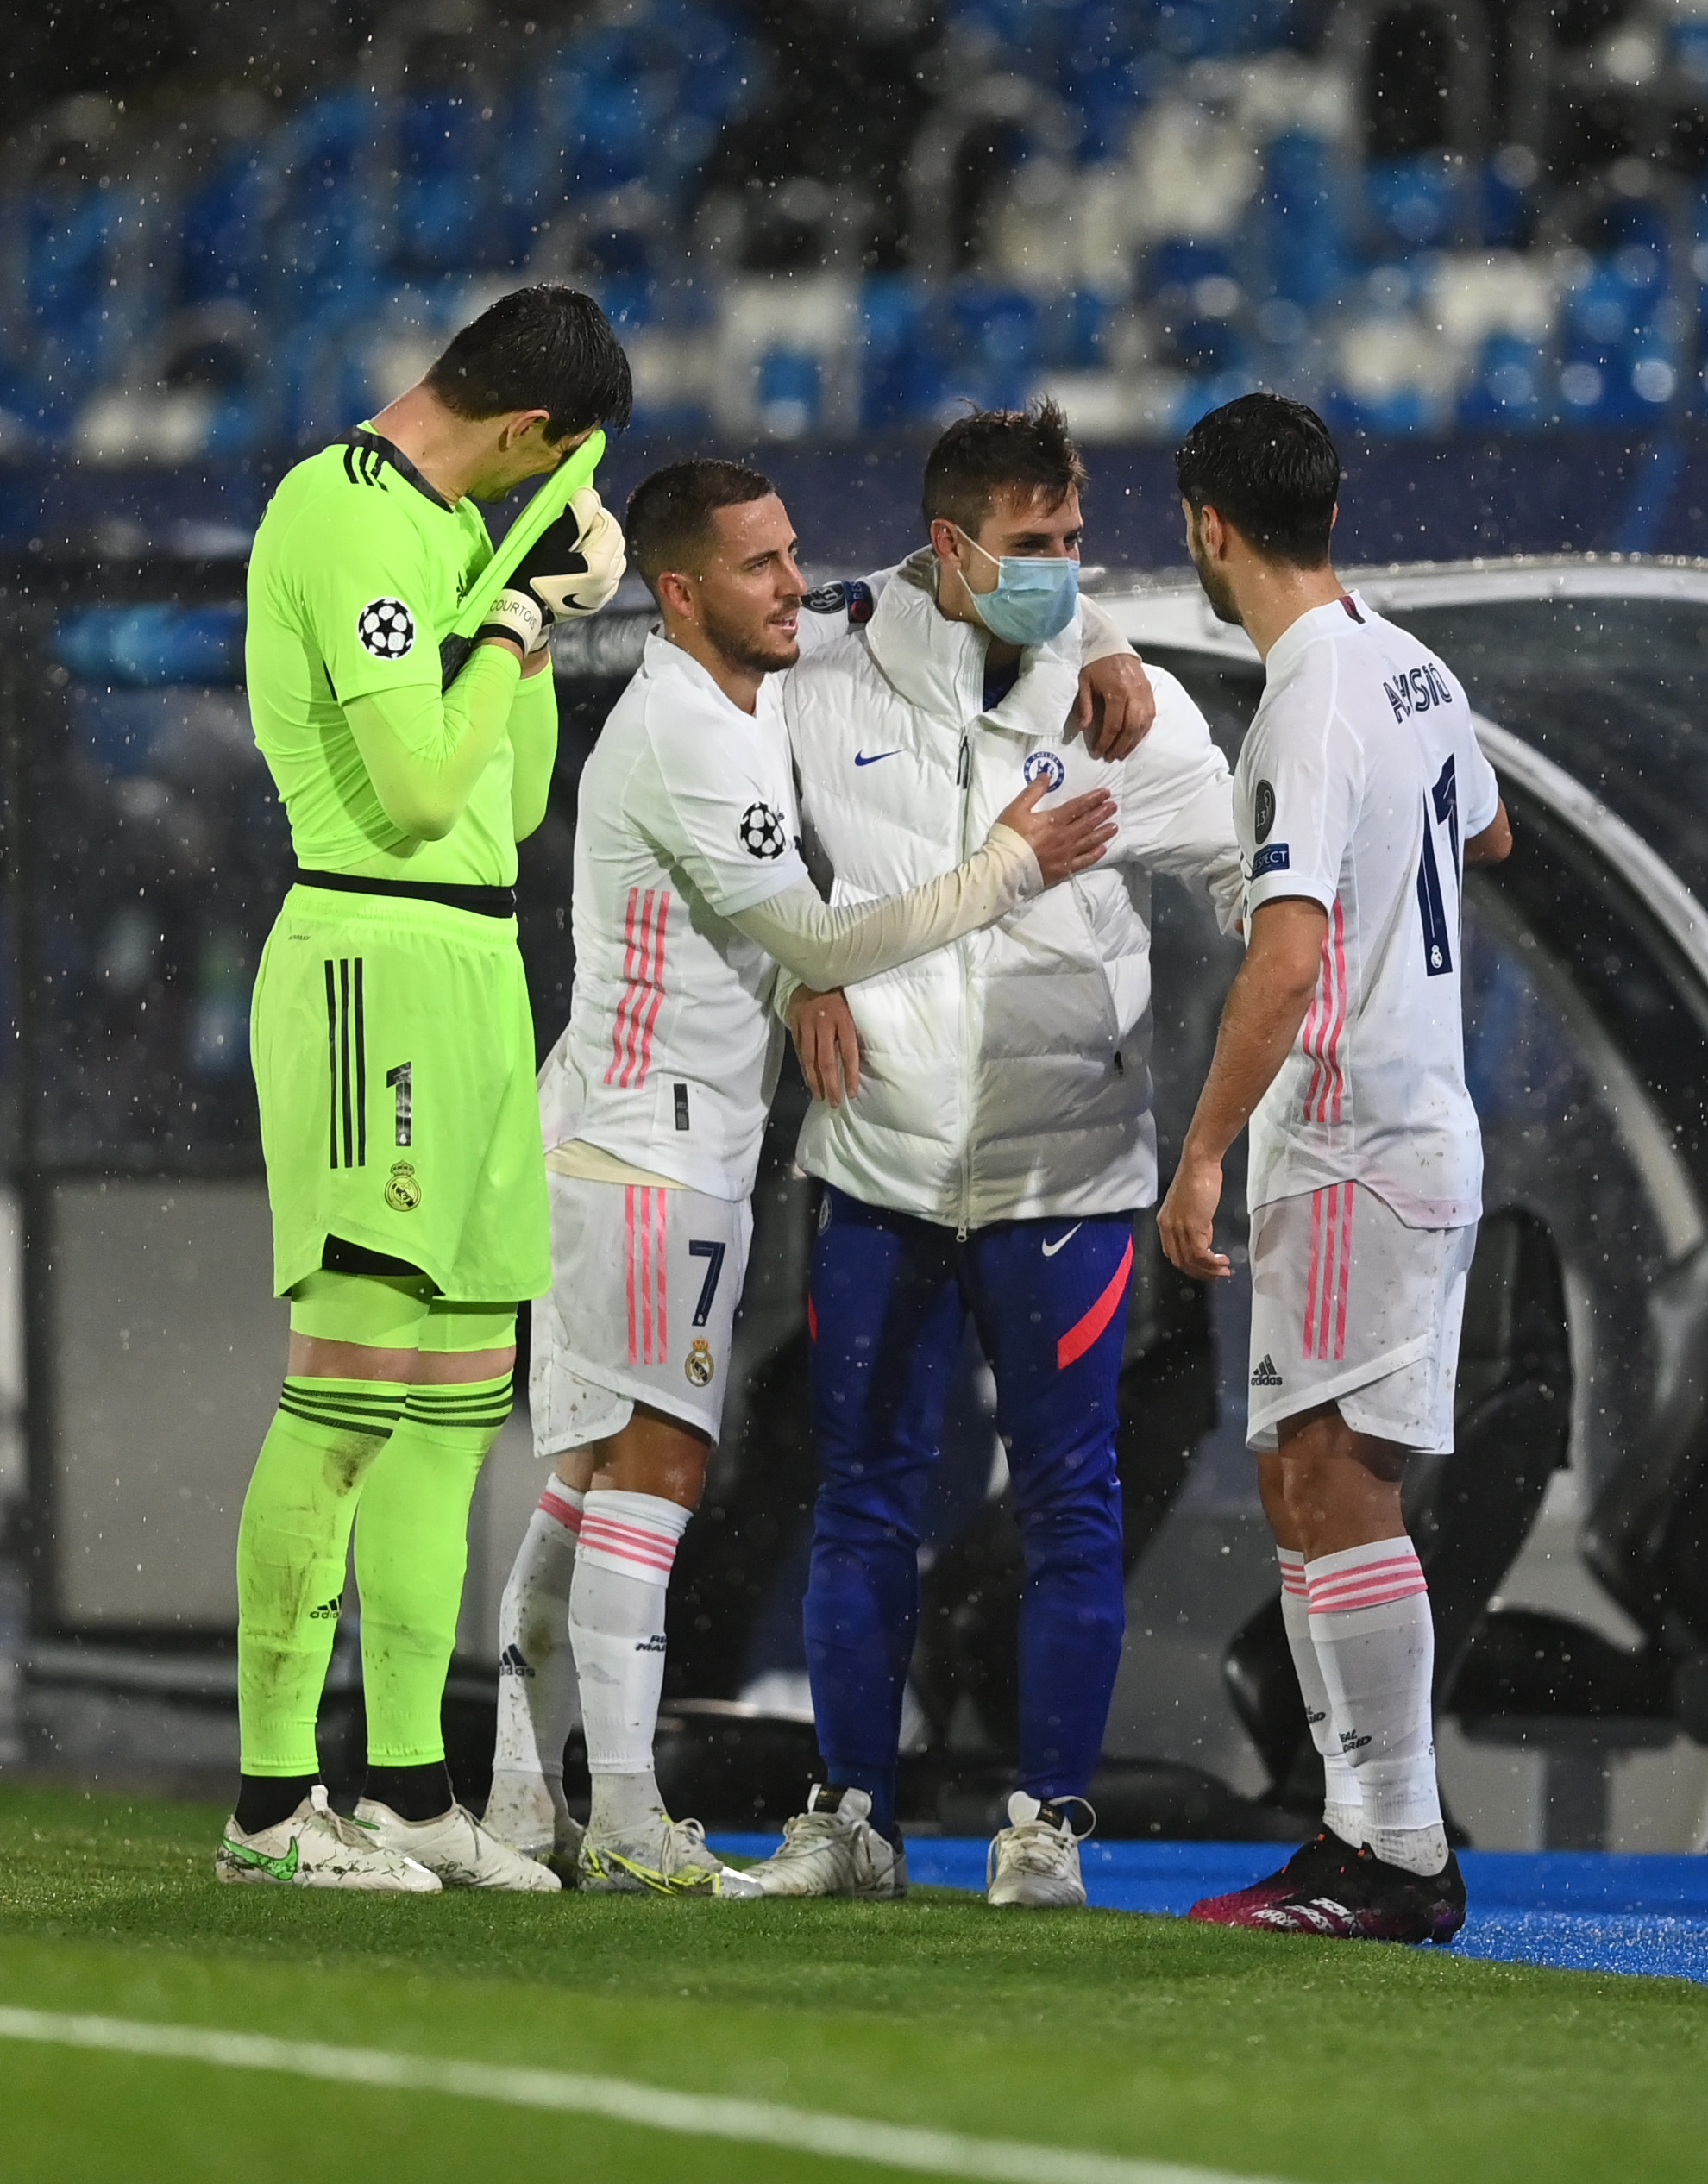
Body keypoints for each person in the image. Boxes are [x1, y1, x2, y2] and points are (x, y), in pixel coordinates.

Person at [483, 456, 1152, 1892]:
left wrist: (1103, 634)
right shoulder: (692, 737)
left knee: (586, 1479)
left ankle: (521, 1796)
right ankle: (624, 1816)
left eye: (793, 555)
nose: (799, 586)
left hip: (632, 1134)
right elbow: (830, 940)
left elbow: (916, 587)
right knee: (651, 1474)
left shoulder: (745, 679)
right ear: (680, 594)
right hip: (653, 1148)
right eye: (761, 566)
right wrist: (1007, 869)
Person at [740, 400, 1244, 1909]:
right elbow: (721, 842)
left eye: (1078, 545)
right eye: (1035, 547)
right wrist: (793, 978)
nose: (1065, 570)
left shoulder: (1127, 703)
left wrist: (1310, 1024)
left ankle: (1048, 1827)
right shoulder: (821, 670)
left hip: (1068, 1171)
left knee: (1072, 1501)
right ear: (949, 547)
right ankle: (852, 1820)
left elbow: (1243, 868)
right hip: (879, 1161)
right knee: (864, 1501)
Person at [218, 285, 632, 1891]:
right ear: (527, 428)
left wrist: (532, 619)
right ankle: (266, 1810)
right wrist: (520, 617)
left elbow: (507, 798)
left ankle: (405, 1785)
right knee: (341, 1397)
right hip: (364, 964)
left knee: (452, 1409)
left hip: (470, 972)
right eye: (563, 458)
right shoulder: (342, 513)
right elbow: (406, 789)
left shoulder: (456, 539)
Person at [1156, 392, 1512, 1944]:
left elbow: (1290, 953)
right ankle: (1361, 1837)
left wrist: (1203, 1149)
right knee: (1307, 1480)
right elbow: (1485, 839)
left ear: (1209, 526)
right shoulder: (1406, 658)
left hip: (1355, 1135)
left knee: (1339, 1488)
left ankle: (1400, 1854)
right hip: (1400, 1122)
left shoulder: (1305, 693)